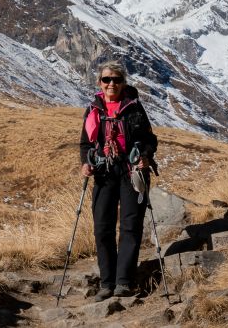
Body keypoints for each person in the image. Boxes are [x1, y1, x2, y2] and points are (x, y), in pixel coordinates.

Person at [79, 61, 158, 301]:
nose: (111, 83)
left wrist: (144, 156)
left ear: (123, 83)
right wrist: (86, 162)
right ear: (99, 83)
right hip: (103, 173)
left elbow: (149, 139)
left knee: (130, 226)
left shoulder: (134, 108)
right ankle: (106, 282)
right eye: (106, 79)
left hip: (132, 172)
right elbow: (85, 142)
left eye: (116, 79)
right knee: (102, 227)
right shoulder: (93, 109)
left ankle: (124, 282)